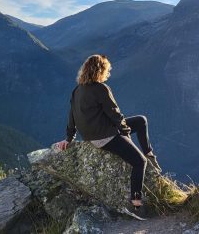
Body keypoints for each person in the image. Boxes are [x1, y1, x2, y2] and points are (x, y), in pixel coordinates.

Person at [56, 54, 161, 210]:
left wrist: (68, 139)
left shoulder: (77, 90)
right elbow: (115, 113)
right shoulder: (101, 88)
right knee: (139, 162)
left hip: (92, 135)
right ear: (101, 70)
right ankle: (136, 201)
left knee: (140, 120)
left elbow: (72, 117)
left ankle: (149, 152)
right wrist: (125, 134)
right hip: (105, 136)